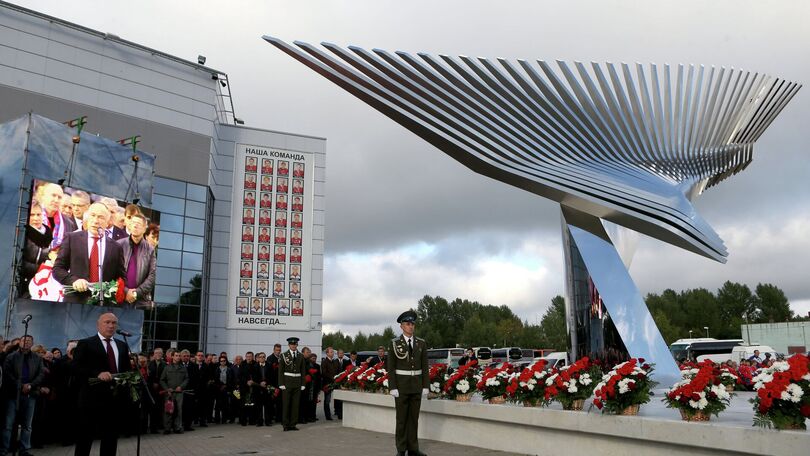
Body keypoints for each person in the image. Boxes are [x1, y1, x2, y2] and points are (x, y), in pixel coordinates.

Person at [73, 312, 133, 456]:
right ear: (98, 325)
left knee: (110, 439)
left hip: (114, 400)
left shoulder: (122, 345)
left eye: (114, 323)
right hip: (91, 400)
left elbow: (126, 370)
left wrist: (127, 378)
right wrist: (97, 373)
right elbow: (76, 367)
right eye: (107, 322)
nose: (111, 325)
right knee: (85, 439)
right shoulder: (86, 343)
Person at [52, 203, 126, 304]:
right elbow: (57, 269)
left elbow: (121, 278)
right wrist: (74, 281)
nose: (96, 221)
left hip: (102, 304)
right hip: (74, 301)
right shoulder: (71, 238)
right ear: (87, 217)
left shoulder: (116, 247)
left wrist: (113, 290)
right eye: (92, 215)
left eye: (101, 217)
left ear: (108, 222)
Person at [387, 310, 429, 456]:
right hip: (401, 387)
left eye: (412, 324)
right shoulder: (394, 343)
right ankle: (401, 449)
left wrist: (425, 386)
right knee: (401, 420)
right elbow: (390, 368)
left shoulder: (421, 343)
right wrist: (392, 387)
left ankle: (413, 448)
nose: (410, 326)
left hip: (416, 386)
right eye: (407, 324)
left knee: (413, 419)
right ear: (401, 326)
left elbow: (425, 366)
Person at [0, 334, 44, 456]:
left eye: (29, 341)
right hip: (13, 395)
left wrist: (30, 385)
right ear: (19, 342)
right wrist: (19, 385)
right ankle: (4, 450)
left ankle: (24, 450)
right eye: (24, 340)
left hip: (30, 394)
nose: (26, 342)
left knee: (27, 425)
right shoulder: (11, 357)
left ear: (32, 343)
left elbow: (41, 374)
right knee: (8, 424)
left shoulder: (37, 357)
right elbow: (7, 373)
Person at [118, 213, 156, 308]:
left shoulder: (150, 249)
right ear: (129, 226)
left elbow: (152, 275)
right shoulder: (119, 245)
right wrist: (126, 291)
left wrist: (136, 293)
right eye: (133, 223)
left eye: (138, 223)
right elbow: (113, 271)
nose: (135, 225)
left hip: (141, 301)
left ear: (144, 229)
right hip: (120, 297)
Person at [278, 337, 306, 431]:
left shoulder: (301, 356)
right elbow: (280, 371)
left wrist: (303, 384)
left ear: (297, 345)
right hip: (287, 383)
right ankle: (286, 425)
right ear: (289, 345)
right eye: (292, 344)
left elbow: (303, 370)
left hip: (297, 383)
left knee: (295, 405)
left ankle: (293, 424)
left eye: (295, 344)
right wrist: (281, 383)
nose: (293, 345)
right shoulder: (283, 355)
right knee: (286, 405)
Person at [160, 350, 188, 434]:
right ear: (172, 357)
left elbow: (187, 379)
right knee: (168, 410)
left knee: (179, 410)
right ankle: (167, 428)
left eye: (179, 355)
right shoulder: (167, 367)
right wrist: (167, 389)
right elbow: (162, 380)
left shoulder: (183, 368)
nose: (178, 357)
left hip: (179, 393)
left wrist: (181, 386)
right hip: (169, 393)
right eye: (176, 355)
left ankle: (177, 428)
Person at [147, 348, 166, 434]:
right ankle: (152, 427)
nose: (158, 354)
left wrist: (159, 383)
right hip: (151, 389)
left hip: (161, 389)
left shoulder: (165, 364)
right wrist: (153, 383)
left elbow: (165, 377)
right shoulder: (149, 364)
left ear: (162, 355)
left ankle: (157, 426)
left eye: (160, 353)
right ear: (154, 354)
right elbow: (148, 377)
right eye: (156, 353)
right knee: (151, 408)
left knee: (159, 408)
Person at [213, 355, 235, 424]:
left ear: (226, 361)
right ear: (219, 362)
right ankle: (217, 419)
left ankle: (224, 419)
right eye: (221, 361)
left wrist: (226, 386)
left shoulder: (229, 369)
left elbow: (231, 379)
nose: (222, 362)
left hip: (226, 388)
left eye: (224, 361)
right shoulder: (217, 369)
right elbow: (215, 379)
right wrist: (220, 386)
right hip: (218, 389)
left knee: (225, 405)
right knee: (218, 405)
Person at [321, 346, 340, 421]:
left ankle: (339, 413)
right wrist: (333, 378)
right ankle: (328, 416)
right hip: (328, 383)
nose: (333, 353)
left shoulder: (335, 361)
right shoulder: (324, 362)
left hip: (335, 382)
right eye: (331, 352)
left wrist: (338, 378)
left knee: (338, 398)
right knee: (327, 400)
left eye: (333, 352)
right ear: (327, 353)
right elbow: (324, 373)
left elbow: (338, 371)